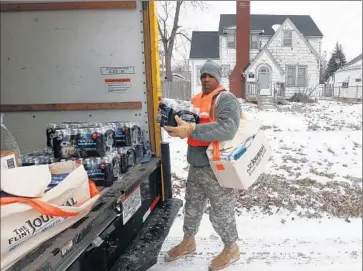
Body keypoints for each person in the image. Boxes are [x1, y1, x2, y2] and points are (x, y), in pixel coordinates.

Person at [164, 60, 242, 270]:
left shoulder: (226, 99)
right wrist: (178, 127)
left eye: (210, 75)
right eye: (203, 75)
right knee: (192, 206)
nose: (205, 79)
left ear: (218, 77)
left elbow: (228, 128)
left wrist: (191, 130)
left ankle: (231, 248)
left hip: (217, 167)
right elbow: (195, 124)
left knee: (221, 211)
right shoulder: (197, 99)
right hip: (196, 164)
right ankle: (189, 241)